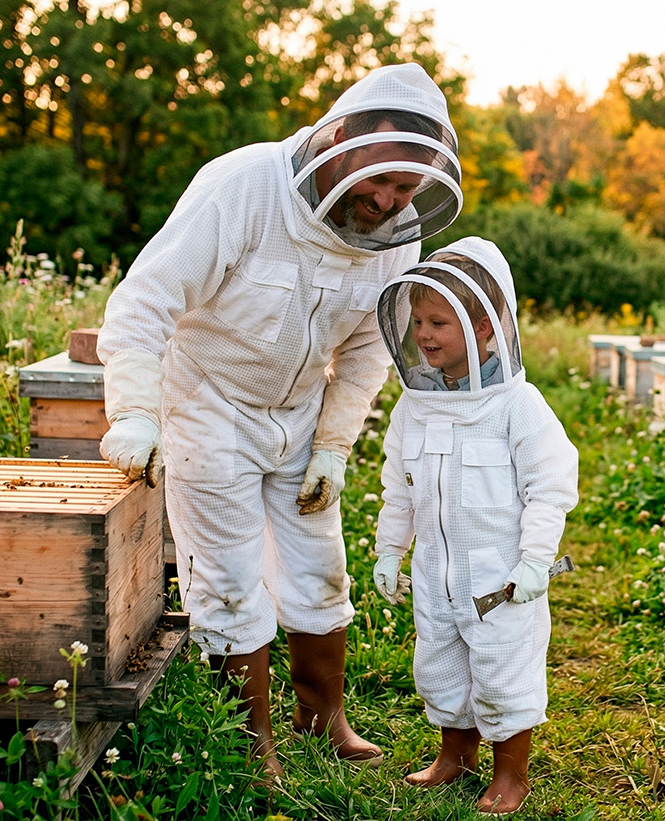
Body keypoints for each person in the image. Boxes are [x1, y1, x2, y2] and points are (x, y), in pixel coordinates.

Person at [94, 63, 463, 779]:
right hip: (208, 404)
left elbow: (368, 348)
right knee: (229, 579)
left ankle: (323, 719)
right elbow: (144, 303)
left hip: (299, 413)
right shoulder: (243, 187)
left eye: (406, 189)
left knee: (320, 569)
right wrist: (134, 413)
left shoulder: (396, 234)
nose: (388, 201)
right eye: (382, 180)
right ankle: (249, 742)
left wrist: (333, 445)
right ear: (341, 139)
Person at [370, 237, 579, 814]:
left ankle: (511, 775)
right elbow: (399, 488)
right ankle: (454, 757)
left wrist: (535, 561)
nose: (423, 334)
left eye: (438, 322)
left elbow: (550, 487)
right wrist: (390, 551)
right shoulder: (414, 405)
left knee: (503, 668)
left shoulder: (518, 406)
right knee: (440, 662)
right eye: (417, 321)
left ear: (483, 326)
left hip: (500, 578)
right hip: (435, 572)